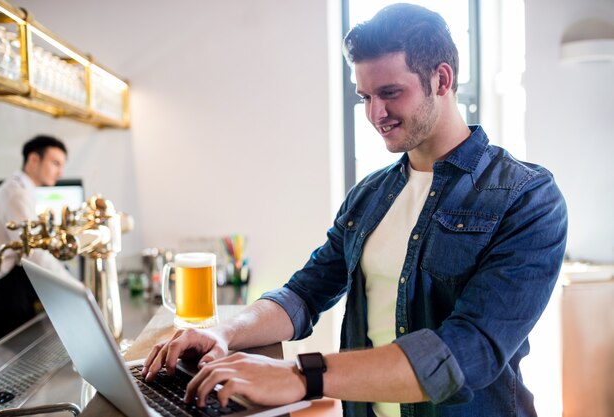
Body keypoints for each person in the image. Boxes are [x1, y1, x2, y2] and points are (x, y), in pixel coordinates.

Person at [142, 4, 568, 416]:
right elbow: (303, 294)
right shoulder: (369, 195)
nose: (374, 114)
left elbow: (465, 352)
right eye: (364, 96)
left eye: (389, 93)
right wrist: (222, 332)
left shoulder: (527, 198)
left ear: (441, 79)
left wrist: (300, 374)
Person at [0, 135, 71, 345]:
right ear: (34, 160)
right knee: (20, 358)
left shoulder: (22, 190)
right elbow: (33, 251)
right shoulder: (15, 194)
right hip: (2, 289)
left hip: (9, 284)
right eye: (55, 163)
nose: (60, 172)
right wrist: (74, 287)